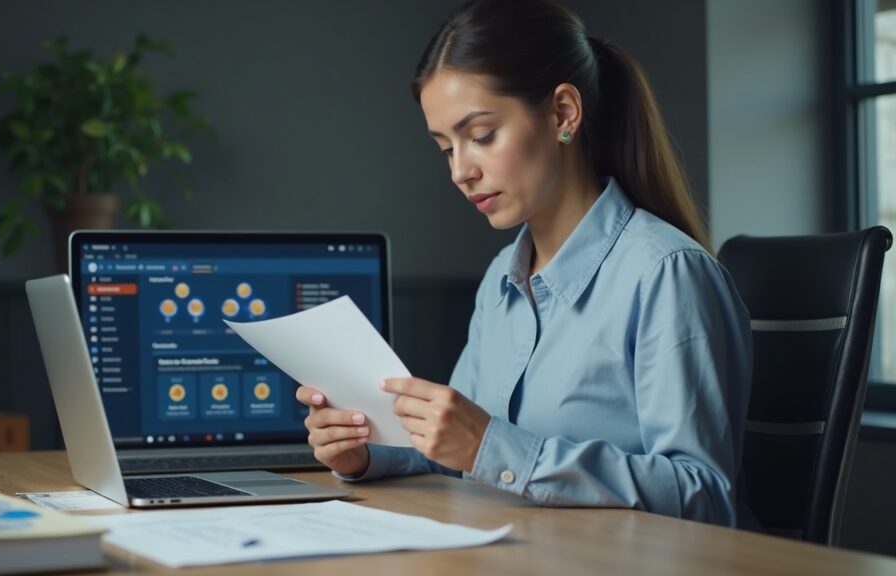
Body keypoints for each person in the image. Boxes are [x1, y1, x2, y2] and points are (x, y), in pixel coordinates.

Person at [296, 0, 753, 527]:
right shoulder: (500, 280)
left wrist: (494, 447)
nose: (460, 172)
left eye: (482, 136)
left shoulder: (667, 274)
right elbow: (460, 450)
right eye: (446, 148)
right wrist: (365, 448)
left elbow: (703, 495)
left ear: (563, 113)